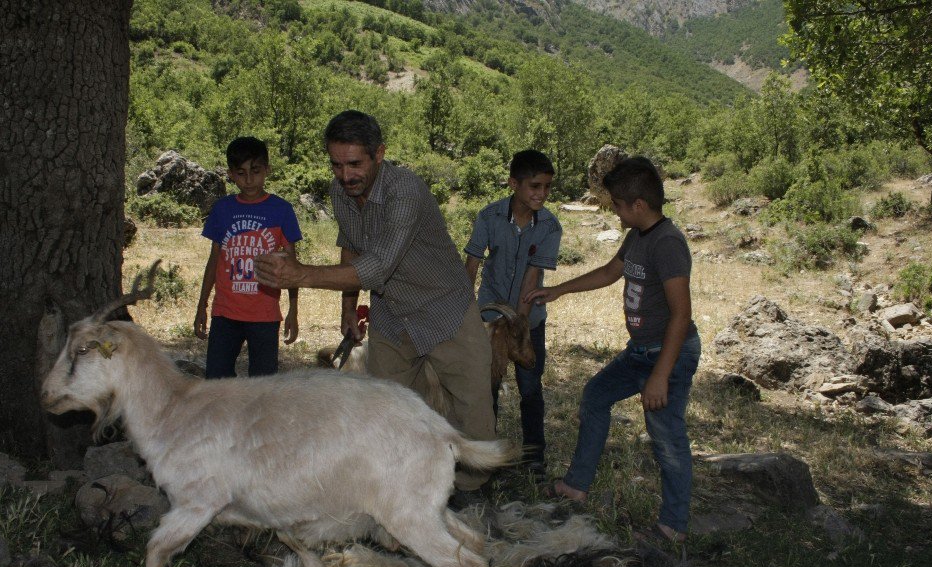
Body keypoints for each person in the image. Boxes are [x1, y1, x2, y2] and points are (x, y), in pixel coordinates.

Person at [254, 110, 495, 490]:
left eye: (355, 164)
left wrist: (301, 275)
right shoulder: (340, 192)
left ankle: (471, 491)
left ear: (379, 154)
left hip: (445, 309)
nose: (345, 175)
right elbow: (351, 245)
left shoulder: (406, 191)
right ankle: (408, 488)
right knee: (392, 409)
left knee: (473, 407)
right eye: (336, 164)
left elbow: (379, 265)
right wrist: (348, 308)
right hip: (391, 313)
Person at [524, 157, 701, 543]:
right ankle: (576, 485)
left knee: (666, 434)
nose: (614, 212)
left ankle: (672, 527)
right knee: (595, 396)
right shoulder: (637, 236)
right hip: (639, 351)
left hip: (667, 354)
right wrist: (560, 289)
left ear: (638, 205)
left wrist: (659, 376)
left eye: (618, 205)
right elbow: (609, 272)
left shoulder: (668, 243)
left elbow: (681, 316)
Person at [465, 149, 562, 481]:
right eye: (535, 186)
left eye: (547, 187)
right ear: (513, 184)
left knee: (530, 386)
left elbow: (532, 278)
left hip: (527, 319)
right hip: (489, 320)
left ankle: (534, 457)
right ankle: (487, 457)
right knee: (486, 386)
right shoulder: (489, 216)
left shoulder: (549, 225)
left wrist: (518, 324)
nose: (542, 194)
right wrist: (465, 313)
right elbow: (473, 265)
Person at [195, 136, 301, 379]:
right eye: (241, 172)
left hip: (264, 314)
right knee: (217, 382)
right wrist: (202, 304)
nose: (249, 179)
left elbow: (292, 266)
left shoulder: (281, 210)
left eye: (255, 171)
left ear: (267, 170)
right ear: (231, 174)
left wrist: (294, 310)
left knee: (263, 387)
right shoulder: (222, 209)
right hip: (225, 313)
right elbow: (214, 260)